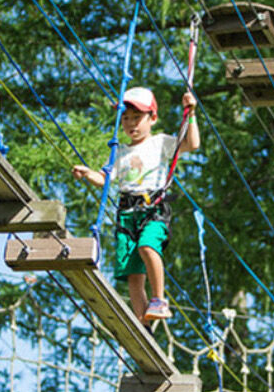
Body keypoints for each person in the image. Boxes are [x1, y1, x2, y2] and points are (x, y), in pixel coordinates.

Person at [72, 87, 199, 326]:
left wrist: (191, 113)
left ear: (152, 118)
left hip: (153, 209)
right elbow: (104, 179)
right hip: (126, 214)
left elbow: (192, 143)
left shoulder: (161, 143)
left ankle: (159, 300)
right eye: (126, 118)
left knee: (147, 247)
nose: (131, 124)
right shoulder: (118, 152)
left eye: (137, 118)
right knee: (132, 274)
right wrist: (88, 173)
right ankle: (144, 323)